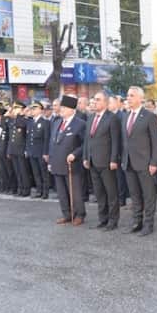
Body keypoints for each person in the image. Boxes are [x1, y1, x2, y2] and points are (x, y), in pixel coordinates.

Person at [121, 86, 157, 237]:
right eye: (128, 95)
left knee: (148, 195)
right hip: (128, 162)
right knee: (135, 195)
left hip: (145, 163)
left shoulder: (149, 116)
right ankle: (137, 222)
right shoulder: (126, 116)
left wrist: (154, 162)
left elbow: (156, 142)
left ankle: (148, 224)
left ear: (140, 98)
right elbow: (125, 140)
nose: (128, 98)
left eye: (132, 95)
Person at [83, 91, 121, 230]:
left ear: (105, 102)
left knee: (111, 193)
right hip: (93, 161)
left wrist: (114, 159)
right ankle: (103, 219)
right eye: (94, 99)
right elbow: (87, 140)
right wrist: (86, 157)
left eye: (98, 99)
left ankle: (113, 221)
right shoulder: (91, 117)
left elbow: (116, 141)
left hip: (106, 162)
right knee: (99, 193)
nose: (95, 102)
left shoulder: (112, 118)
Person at [48, 95, 87, 226]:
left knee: (75, 192)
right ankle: (67, 214)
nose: (61, 109)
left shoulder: (80, 124)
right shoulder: (57, 122)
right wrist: (50, 161)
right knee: (61, 192)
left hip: (72, 164)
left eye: (64, 107)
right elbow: (52, 143)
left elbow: (85, 144)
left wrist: (75, 154)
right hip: (57, 162)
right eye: (61, 107)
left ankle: (79, 214)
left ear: (72, 109)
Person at [5, 102, 31, 197]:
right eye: (14, 109)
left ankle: (26, 189)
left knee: (23, 171)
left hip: (21, 149)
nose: (14, 110)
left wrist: (20, 114)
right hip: (13, 149)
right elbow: (10, 137)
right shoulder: (13, 120)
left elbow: (21, 126)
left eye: (16, 108)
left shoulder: (25, 120)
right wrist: (9, 150)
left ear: (21, 109)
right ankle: (20, 188)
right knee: (17, 171)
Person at [26, 101, 51, 199]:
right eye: (32, 109)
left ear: (41, 110)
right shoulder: (30, 122)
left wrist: (46, 152)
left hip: (41, 152)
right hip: (32, 151)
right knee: (36, 173)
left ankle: (45, 191)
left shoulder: (45, 122)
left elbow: (46, 138)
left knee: (43, 173)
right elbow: (28, 138)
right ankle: (39, 190)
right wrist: (27, 150)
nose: (32, 111)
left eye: (35, 109)